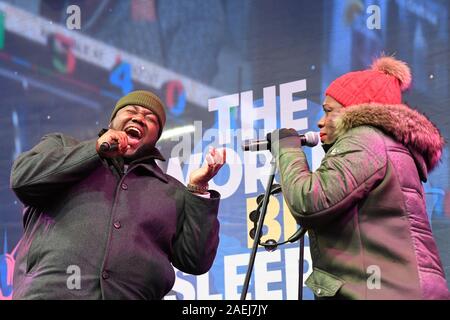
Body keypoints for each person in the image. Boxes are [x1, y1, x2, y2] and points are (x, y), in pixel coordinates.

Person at [10, 90, 226, 299]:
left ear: (155, 137)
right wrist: (95, 150)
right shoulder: (62, 146)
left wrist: (198, 189)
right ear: (113, 121)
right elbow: (24, 180)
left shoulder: (171, 191)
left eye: (150, 118)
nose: (139, 118)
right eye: (131, 110)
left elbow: (195, 261)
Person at [269, 56, 449, 299]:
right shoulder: (387, 145)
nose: (320, 121)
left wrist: (288, 150)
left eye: (329, 111)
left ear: (355, 112)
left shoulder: (365, 140)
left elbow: (309, 202)